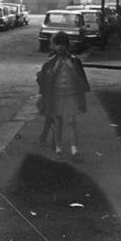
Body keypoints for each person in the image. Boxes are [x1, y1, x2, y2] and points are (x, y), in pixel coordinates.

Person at [37, 31, 91, 162]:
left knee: (71, 121)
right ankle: (58, 149)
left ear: (67, 45)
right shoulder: (50, 62)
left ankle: (74, 149)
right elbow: (46, 79)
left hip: (70, 93)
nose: (60, 47)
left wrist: (69, 66)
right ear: (54, 46)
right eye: (58, 44)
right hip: (56, 94)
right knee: (58, 121)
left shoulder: (73, 60)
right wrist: (56, 68)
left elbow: (79, 77)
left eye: (63, 44)